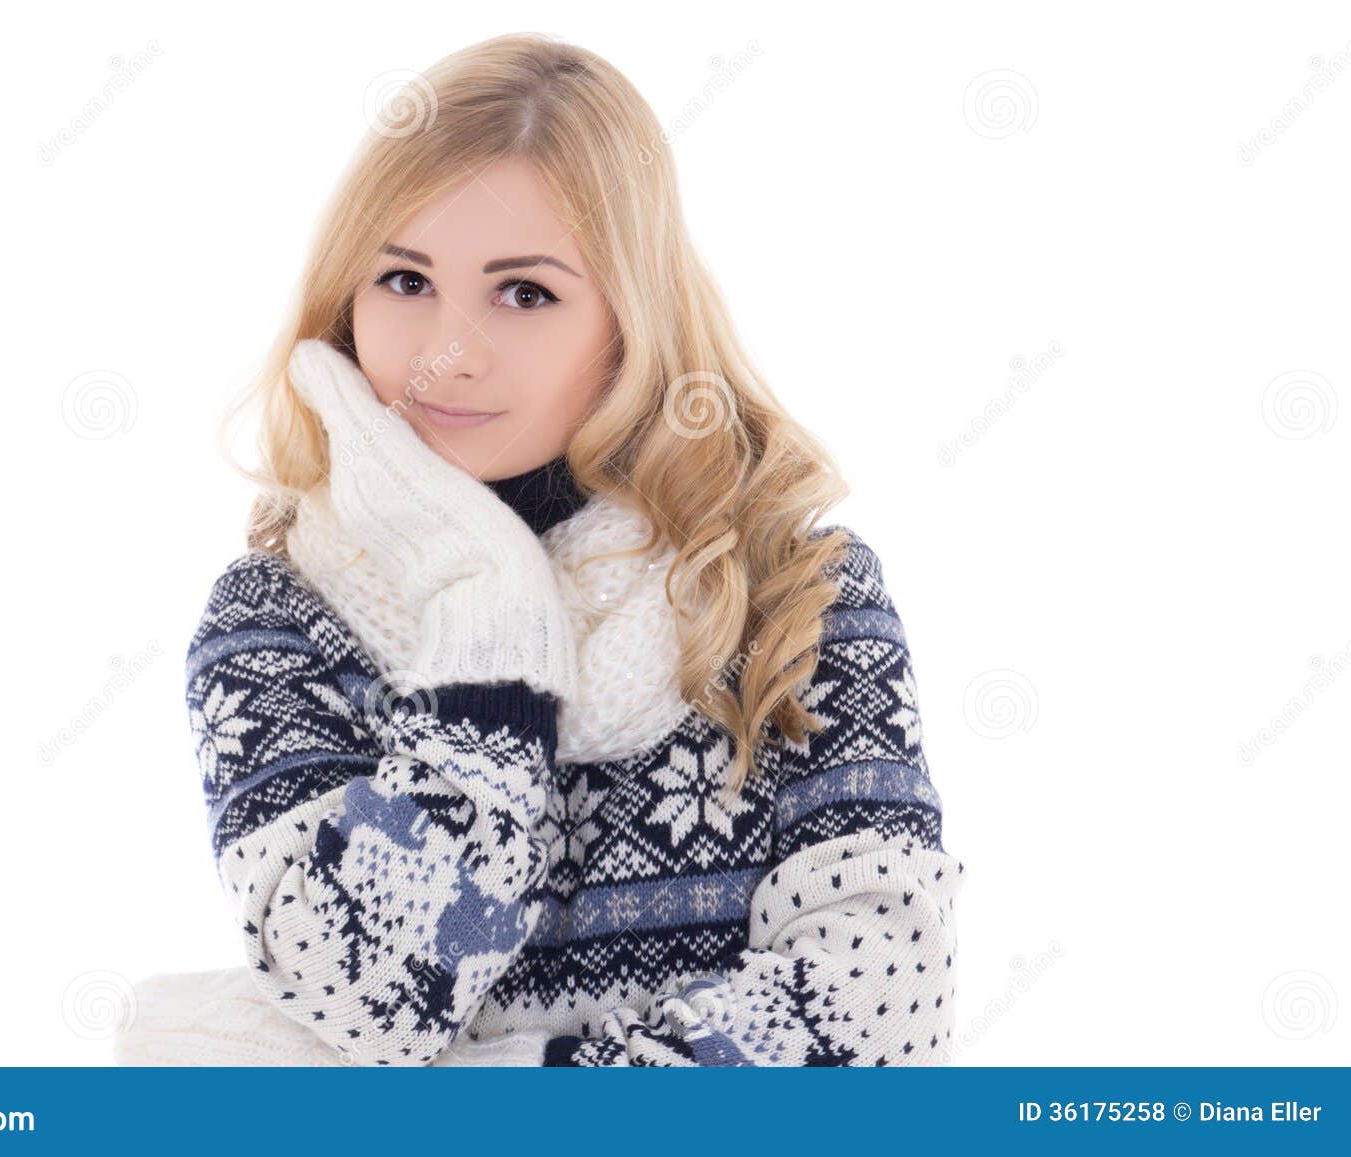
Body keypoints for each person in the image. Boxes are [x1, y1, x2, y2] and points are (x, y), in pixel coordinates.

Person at [185, 31, 965, 1066]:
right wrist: (487, 625)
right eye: (405, 281)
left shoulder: (788, 591)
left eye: (525, 292)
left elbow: (878, 1026)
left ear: (629, 319)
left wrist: (506, 1078)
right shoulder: (278, 622)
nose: (445, 356)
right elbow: (376, 1002)